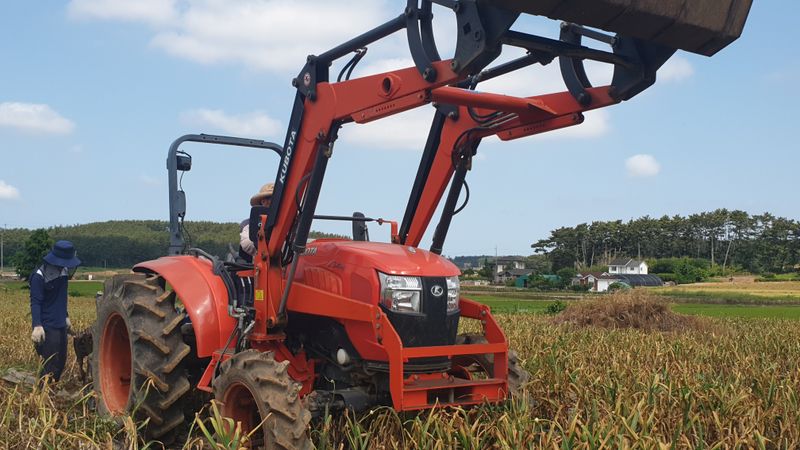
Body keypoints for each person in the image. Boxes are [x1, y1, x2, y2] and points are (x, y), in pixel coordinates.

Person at [30, 240, 81, 382]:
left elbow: (62, 298)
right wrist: (37, 325)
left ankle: (52, 390)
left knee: (60, 361)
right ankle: (42, 395)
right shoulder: (39, 275)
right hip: (47, 325)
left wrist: (66, 317)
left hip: (60, 323)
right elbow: (36, 302)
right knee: (49, 364)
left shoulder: (64, 272)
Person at [239, 183, 274, 263]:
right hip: (260, 265)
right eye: (268, 198)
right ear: (262, 202)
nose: (270, 201)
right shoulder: (249, 223)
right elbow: (247, 243)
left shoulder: (287, 222)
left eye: (273, 198)